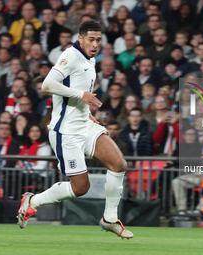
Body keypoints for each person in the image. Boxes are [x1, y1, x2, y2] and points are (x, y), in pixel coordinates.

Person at [16, 20, 134, 239]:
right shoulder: (70, 55)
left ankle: (109, 219)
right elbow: (47, 85)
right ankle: (33, 201)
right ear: (80, 38)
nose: (95, 43)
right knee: (81, 188)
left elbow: (76, 90)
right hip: (65, 132)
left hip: (84, 124)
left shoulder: (91, 59)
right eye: (91, 39)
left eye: (98, 39)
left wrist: (85, 110)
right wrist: (81, 96)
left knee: (119, 164)